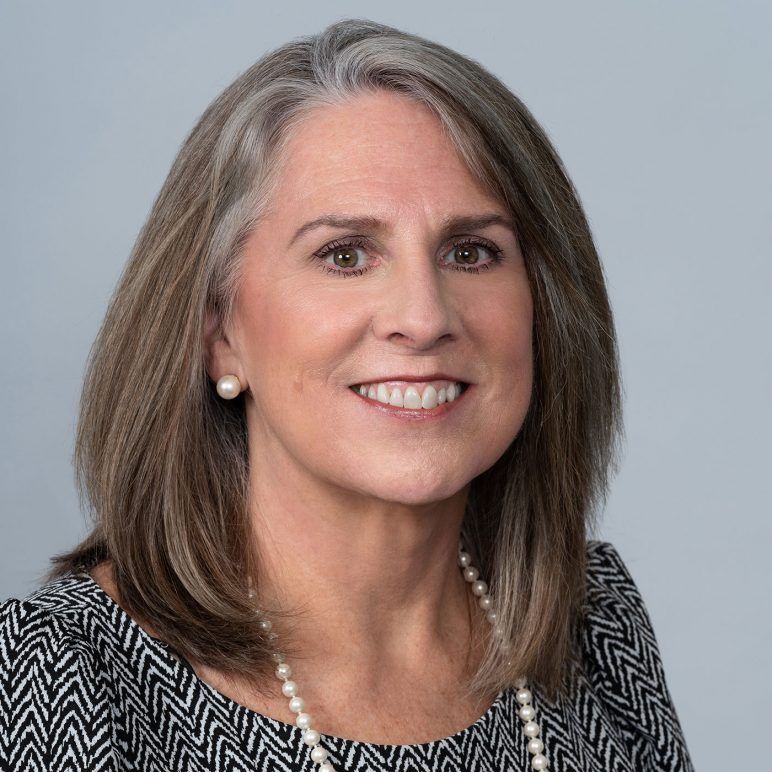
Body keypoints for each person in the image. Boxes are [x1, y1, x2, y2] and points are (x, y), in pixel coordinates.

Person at [0, 18, 695, 772]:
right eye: (345, 255)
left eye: (472, 252)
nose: (424, 319)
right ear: (217, 332)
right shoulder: (56, 673)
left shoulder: (593, 622)